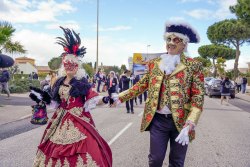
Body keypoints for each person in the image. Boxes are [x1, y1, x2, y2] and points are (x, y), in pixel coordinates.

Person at [113, 22, 205, 167]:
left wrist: (191, 121)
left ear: (184, 44)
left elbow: (198, 96)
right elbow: (141, 85)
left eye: (176, 40)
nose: (171, 43)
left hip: (181, 122)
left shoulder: (194, 66)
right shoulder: (155, 63)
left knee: (177, 162)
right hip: (158, 120)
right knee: (155, 160)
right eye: (168, 39)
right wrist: (120, 97)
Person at [30, 27, 112, 167]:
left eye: (73, 65)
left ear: (77, 67)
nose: (70, 67)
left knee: (88, 148)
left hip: (79, 118)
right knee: (53, 149)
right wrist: (41, 98)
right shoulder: (59, 81)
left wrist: (105, 99)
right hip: (60, 119)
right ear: (64, 66)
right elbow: (55, 101)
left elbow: (92, 98)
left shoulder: (82, 83)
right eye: (67, 65)